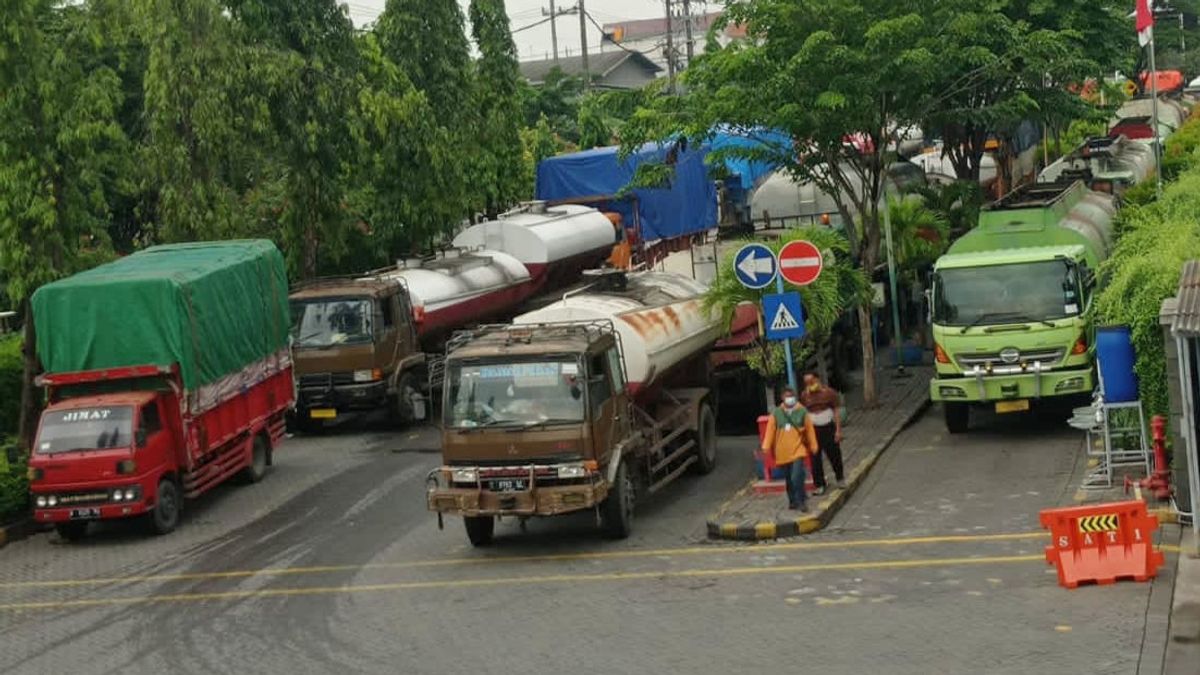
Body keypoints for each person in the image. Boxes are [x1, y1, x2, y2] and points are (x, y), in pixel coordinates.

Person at [760, 387, 818, 512]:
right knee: (788, 478)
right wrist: (766, 447)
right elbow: (770, 431)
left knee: (796, 476)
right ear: (782, 398)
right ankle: (792, 500)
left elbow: (809, 430)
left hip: (798, 450)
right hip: (782, 452)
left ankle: (801, 501)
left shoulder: (802, 411)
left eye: (791, 396)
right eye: (787, 396)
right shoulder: (776, 413)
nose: (789, 399)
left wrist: (814, 446)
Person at [801, 372, 845, 494]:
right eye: (807, 383)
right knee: (815, 458)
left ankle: (840, 478)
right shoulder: (805, 395)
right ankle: (819, 484)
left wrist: (838, 430)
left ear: (817, 380)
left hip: (828, 427)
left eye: (811, 381)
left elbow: (836, 411)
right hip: (813, 429)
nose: (810, 385)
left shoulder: (829, 393)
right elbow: (804, 412)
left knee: (834, 454)